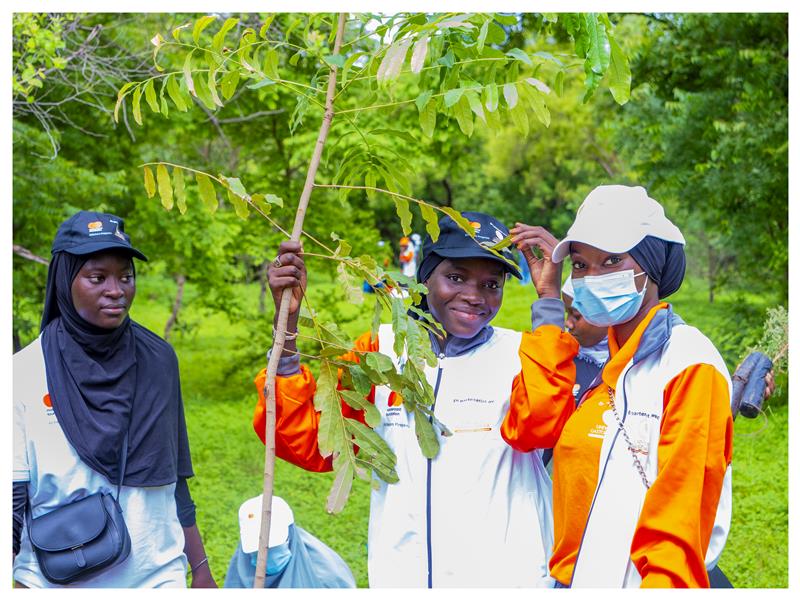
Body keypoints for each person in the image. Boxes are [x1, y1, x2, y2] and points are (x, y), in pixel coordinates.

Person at [254, 211, 578, 587]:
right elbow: (311, 444)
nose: (474, 296)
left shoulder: (525, 356)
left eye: (492, 284)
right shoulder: (381, 353)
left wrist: (550, 302)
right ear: (425, 277)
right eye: (456, 277)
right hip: (402, 577)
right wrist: (286, 326)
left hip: (507, 580)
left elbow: (540, 427)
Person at [512, 185, 734, 588]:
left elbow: (677, 538)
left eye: (612, 260)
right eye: (580, 265)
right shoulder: (606, 366)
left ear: (650, 266)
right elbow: (533, 428)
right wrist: (547, 298)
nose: (591, 277)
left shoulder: (688, 365)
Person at [12, 211, 217, 588]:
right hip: (55, 579)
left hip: (156, 575)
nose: (116, 290)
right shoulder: (24, 372)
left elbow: (174, 477)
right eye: (97, 277)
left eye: (126, 276)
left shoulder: (158, 360)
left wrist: (200, 569)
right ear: (64, 278)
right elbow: (12, 499)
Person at [224, 494, 355, 588]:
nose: (265, 555)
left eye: (274, 547)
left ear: (290, 535)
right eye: (255, 550)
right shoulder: (242, 566)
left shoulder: (327, 578)